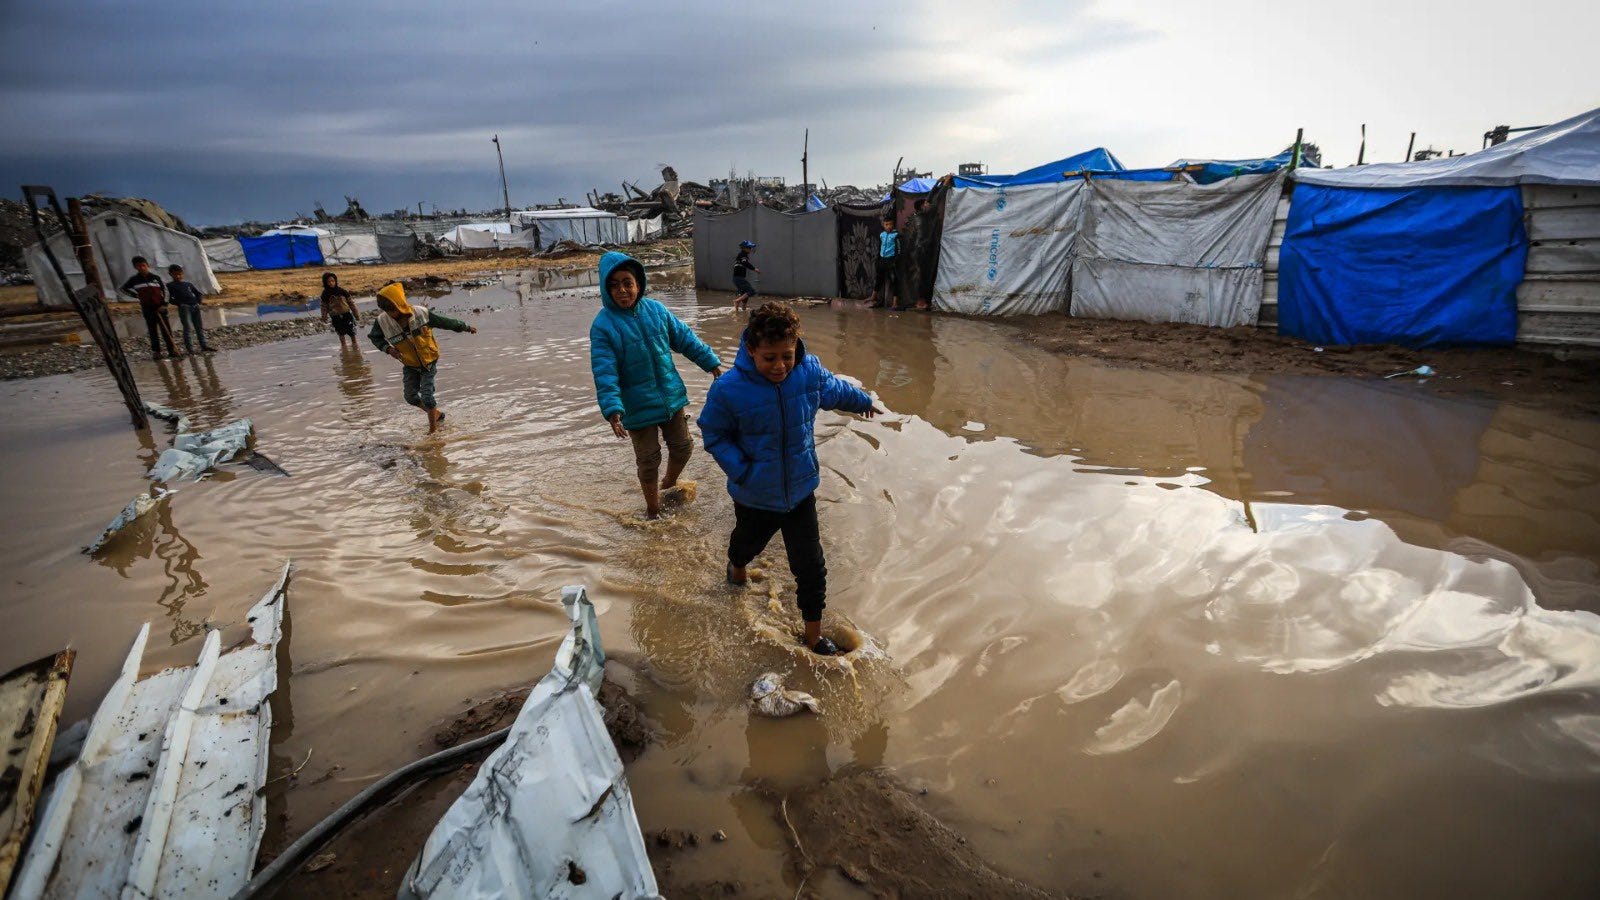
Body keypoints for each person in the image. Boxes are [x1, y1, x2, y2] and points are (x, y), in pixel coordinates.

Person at [698, 301, 881, 656]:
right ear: (751, 349)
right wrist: (743, 471)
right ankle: (736, 566)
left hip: (800, 491)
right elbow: (713, 433)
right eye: (770, 358)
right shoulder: (729, 389)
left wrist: (862, 401)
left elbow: (834, 389)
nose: (781, 366)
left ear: (797, 345)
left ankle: (813, 637)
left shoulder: (808, 371)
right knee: (746, 546)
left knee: (811, 567)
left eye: (788, 355)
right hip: (755, 495)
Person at [590, 250, 723, 519]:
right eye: (614, 285)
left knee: (683, 447)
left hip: (671, 396)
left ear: (638, 283)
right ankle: (653, 511)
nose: (622, 290)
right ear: (606, 289)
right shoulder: (603, 326)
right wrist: (612, 409)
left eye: (627, 283)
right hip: (637, 406)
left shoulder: (657, 310)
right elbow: (605, 371)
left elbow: (686, 339)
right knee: (649, 461)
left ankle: (669, 484)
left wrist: (712, 364)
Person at [367, 282, 476, 433]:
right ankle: (437, 415)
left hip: (428, 362)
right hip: (409, 364)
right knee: (410, 397)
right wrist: (388, 349)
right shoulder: (382, 322)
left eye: (392, 310)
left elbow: (445, 322)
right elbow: (375, 337)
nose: (390, 314)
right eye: (387, 310)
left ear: (400, 304)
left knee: (427, 397)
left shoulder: (420, 313)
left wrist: (465, 327)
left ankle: (433, 431)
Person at [121, 256, 179, 359]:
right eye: (139, 266)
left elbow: (165, 291)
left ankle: (172, 350)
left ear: (147, 265)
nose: (142, 268)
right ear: (135, 267)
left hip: (160, 307)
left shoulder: (156, 278)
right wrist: (136, 296)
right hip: (147, 308)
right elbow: (123, 289)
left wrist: (164, 304)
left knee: (166, 329)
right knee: (152, 330)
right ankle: (156, 352)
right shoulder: (134, 280)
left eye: (143, 265)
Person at [165, 264, 213, 354]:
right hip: (184, 308)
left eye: (179, 274)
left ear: (182, 274)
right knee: (187, 328)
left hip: (195, 306)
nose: (178, 276)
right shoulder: (170, 286)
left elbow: (198, 293)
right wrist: (180, 304)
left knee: (199, 327)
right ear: (171, 274)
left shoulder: (188, 284)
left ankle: (204, 345)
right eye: (175, 274)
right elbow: (170, 299)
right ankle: (190, 349)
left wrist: (198, 301)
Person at [319, 272, 359, 350]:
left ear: (335, 281)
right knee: (341, 333)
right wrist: (324, 317)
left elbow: (351, 303)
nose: (331, 283)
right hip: (335, 317)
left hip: (346, 315)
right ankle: (344, 348)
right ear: (325, 283)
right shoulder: (325, 294)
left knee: (352, 332)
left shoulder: (342, 291)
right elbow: (324, 307)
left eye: (332, 281)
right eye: (329, 282)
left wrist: (356, 314)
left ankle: (355, 347)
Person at [867, 217, 900, 309]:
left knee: (894, 280)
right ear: (883, 225)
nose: (888, 226)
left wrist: (895, 261)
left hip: (891, 260)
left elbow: (899, 250)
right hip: (882, 259)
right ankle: (873, 297)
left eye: (890, 224)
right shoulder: (882, 235)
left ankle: (895, 303)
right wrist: (878, 260)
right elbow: (879, 247)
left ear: (893, 224)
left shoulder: (896, 235)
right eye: (886, 224)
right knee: (879, 279)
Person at [732, 240, 760, 311]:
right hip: (739, 279)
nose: (750, 249)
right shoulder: (743, 255)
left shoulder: (742, 255)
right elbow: (745, 263)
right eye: (749, 247)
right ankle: (737, 301)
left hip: (738, 278)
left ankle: (741, 309)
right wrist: (754, 269)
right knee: (751, 291)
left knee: (745, 294)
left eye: (750, 248)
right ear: (744, 248)